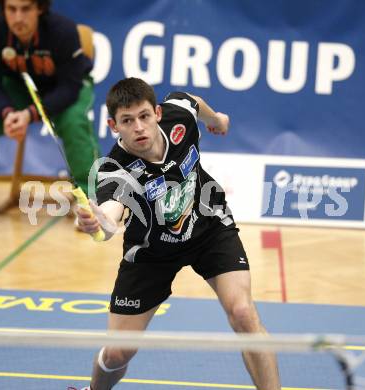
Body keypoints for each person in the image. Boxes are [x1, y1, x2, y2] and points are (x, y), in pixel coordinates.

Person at [75, 77, 281, 390]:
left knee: (242, 313)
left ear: (157, 112)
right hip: (151, 251)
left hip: (209, 225)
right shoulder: (114, 169)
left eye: (144, 116)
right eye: (127, 121)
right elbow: (111, 213)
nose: (139, 127)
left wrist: (217, 120)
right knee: (118, 352)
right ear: (113, 126)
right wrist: (100, 223)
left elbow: (192, 100)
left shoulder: (178, 118)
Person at [0, 0, 100, 195]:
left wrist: (29, 114)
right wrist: (6, 112)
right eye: (12, 9)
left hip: (67, 87)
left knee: (74, 123)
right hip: (21, 87)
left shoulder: (63, 31)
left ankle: (92, 199)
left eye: (25, 9)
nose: (18, 18)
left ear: (39, 8)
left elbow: (70, 87)